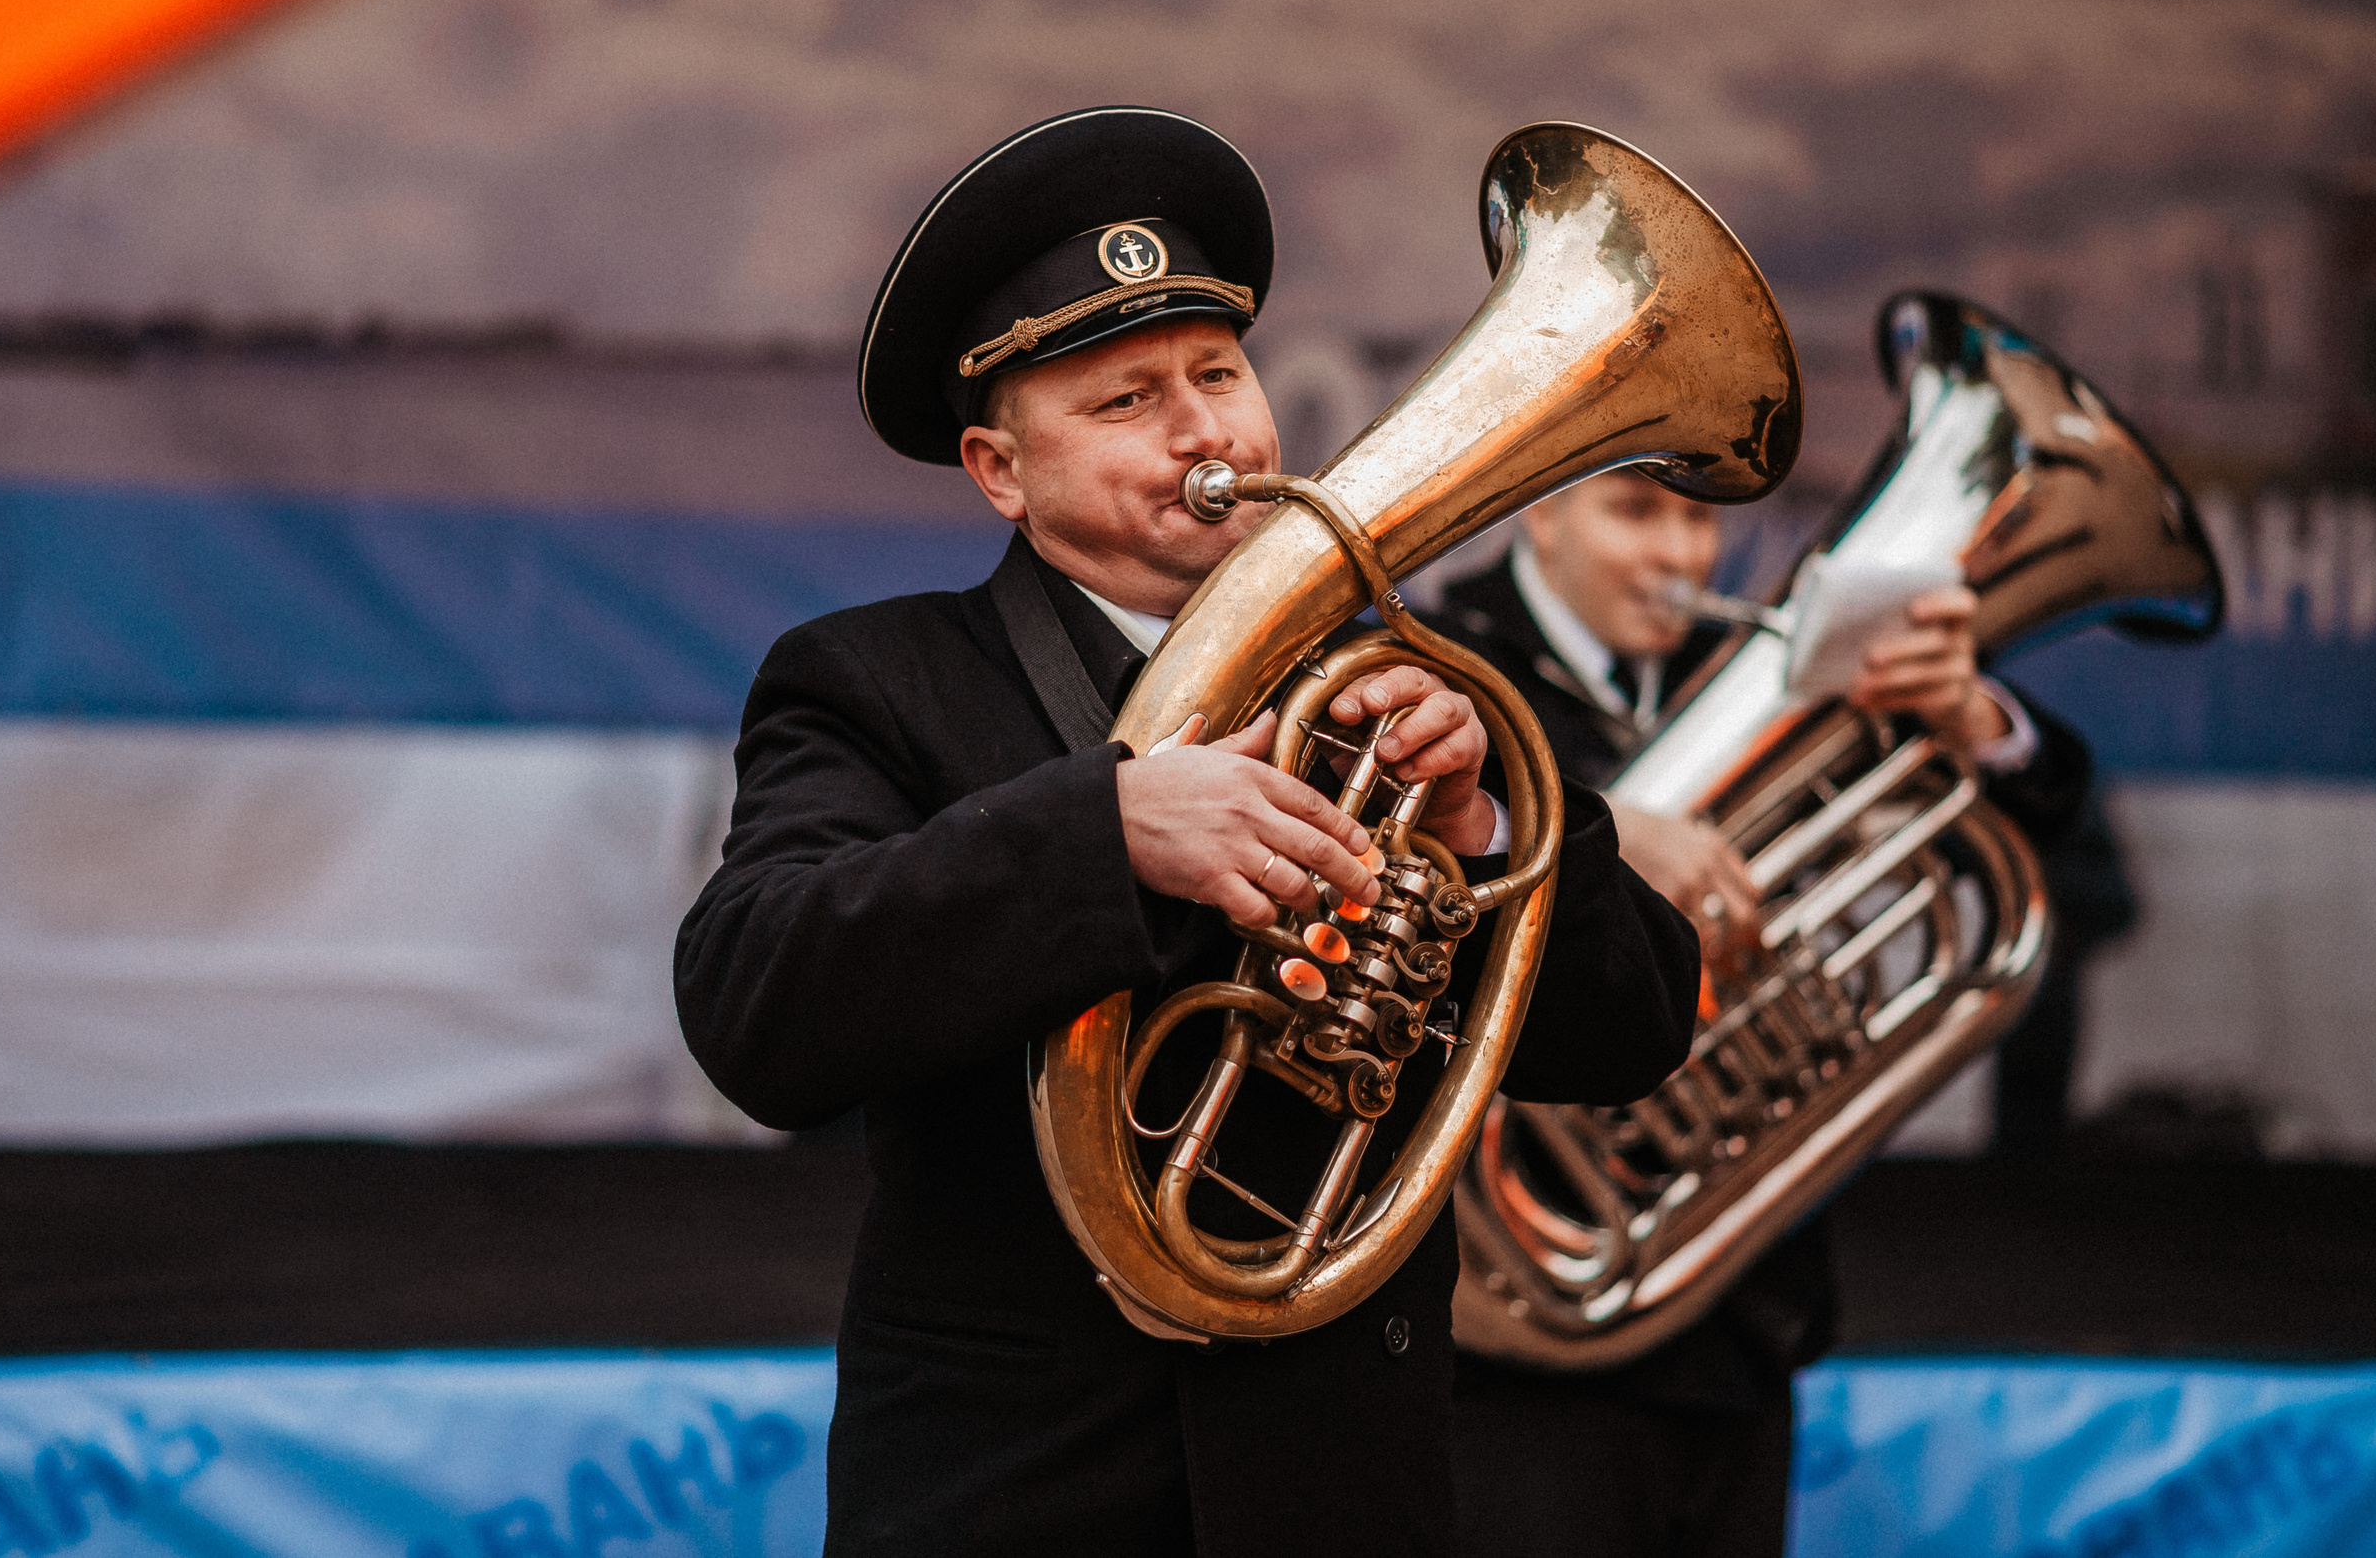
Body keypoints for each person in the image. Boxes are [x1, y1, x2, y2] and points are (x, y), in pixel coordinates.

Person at [674, 107, 1702, 1558]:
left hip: (1349, 1494)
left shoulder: (1392, 694)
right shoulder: (874, 681)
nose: (1207, 429)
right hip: (1019, 1498)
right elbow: (751, 1002)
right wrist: (1098, 834)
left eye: (1220, 373)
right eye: (1127, 401)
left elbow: (1633, 1031)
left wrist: (1480, 828)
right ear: (999, 469)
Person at [1433, 468, 2091, 1558]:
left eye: (1697, 520)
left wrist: (1973, 713)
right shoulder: (1438, 658)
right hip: (1508, 1345)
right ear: (1543, 512)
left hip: (1737, 1314)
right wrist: (1595, 829)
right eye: (1634, 512)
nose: (1678, 557)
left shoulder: (1762, 661)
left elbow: (2054, 802)